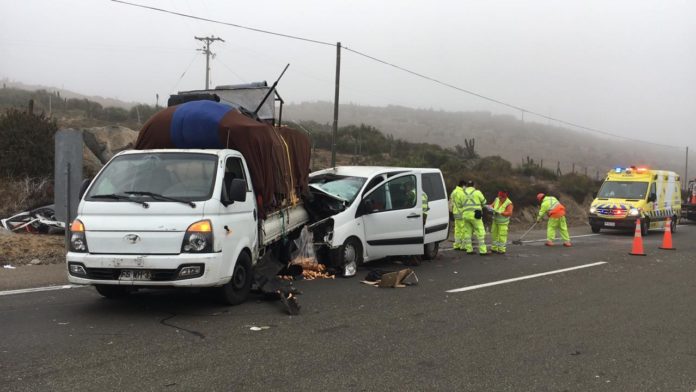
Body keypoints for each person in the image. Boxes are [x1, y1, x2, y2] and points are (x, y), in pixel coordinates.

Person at [462, 180, 488, 255]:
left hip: (465, 215)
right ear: (474, 185)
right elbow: (484, 202)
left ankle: (469, 250)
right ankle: (483, 251)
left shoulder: (463, 193)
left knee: (467, 232)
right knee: (480, 232)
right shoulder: (477, 192)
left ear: (467, 186)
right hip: (475, 215)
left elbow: (460, 204)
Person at [450, 180, 467, 250]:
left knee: (457, 229)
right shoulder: (462, 193)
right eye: (465, 185)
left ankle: (457, 245)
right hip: (462, 213)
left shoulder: (454, 192)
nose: (465, 187)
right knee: (463, 229)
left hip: (455, 213)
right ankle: (463, 246)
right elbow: (464, 203)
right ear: (463, 185)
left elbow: (451, 202)